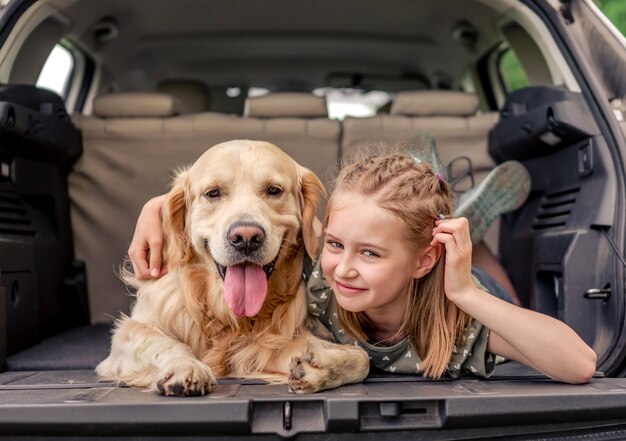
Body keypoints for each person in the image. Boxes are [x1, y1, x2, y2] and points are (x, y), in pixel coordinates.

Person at [127, 151, 596, 383]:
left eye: (368, 254)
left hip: (448, 287)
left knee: (494, 289)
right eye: (333, 243)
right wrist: (158, 208)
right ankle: (454, 218)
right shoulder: (319, 279)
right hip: (421, 264)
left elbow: (579, 364)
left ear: (421, 260)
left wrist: (468, 294)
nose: (344, 269)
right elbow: (246, 213)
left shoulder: (457, 323)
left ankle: (470, 237)